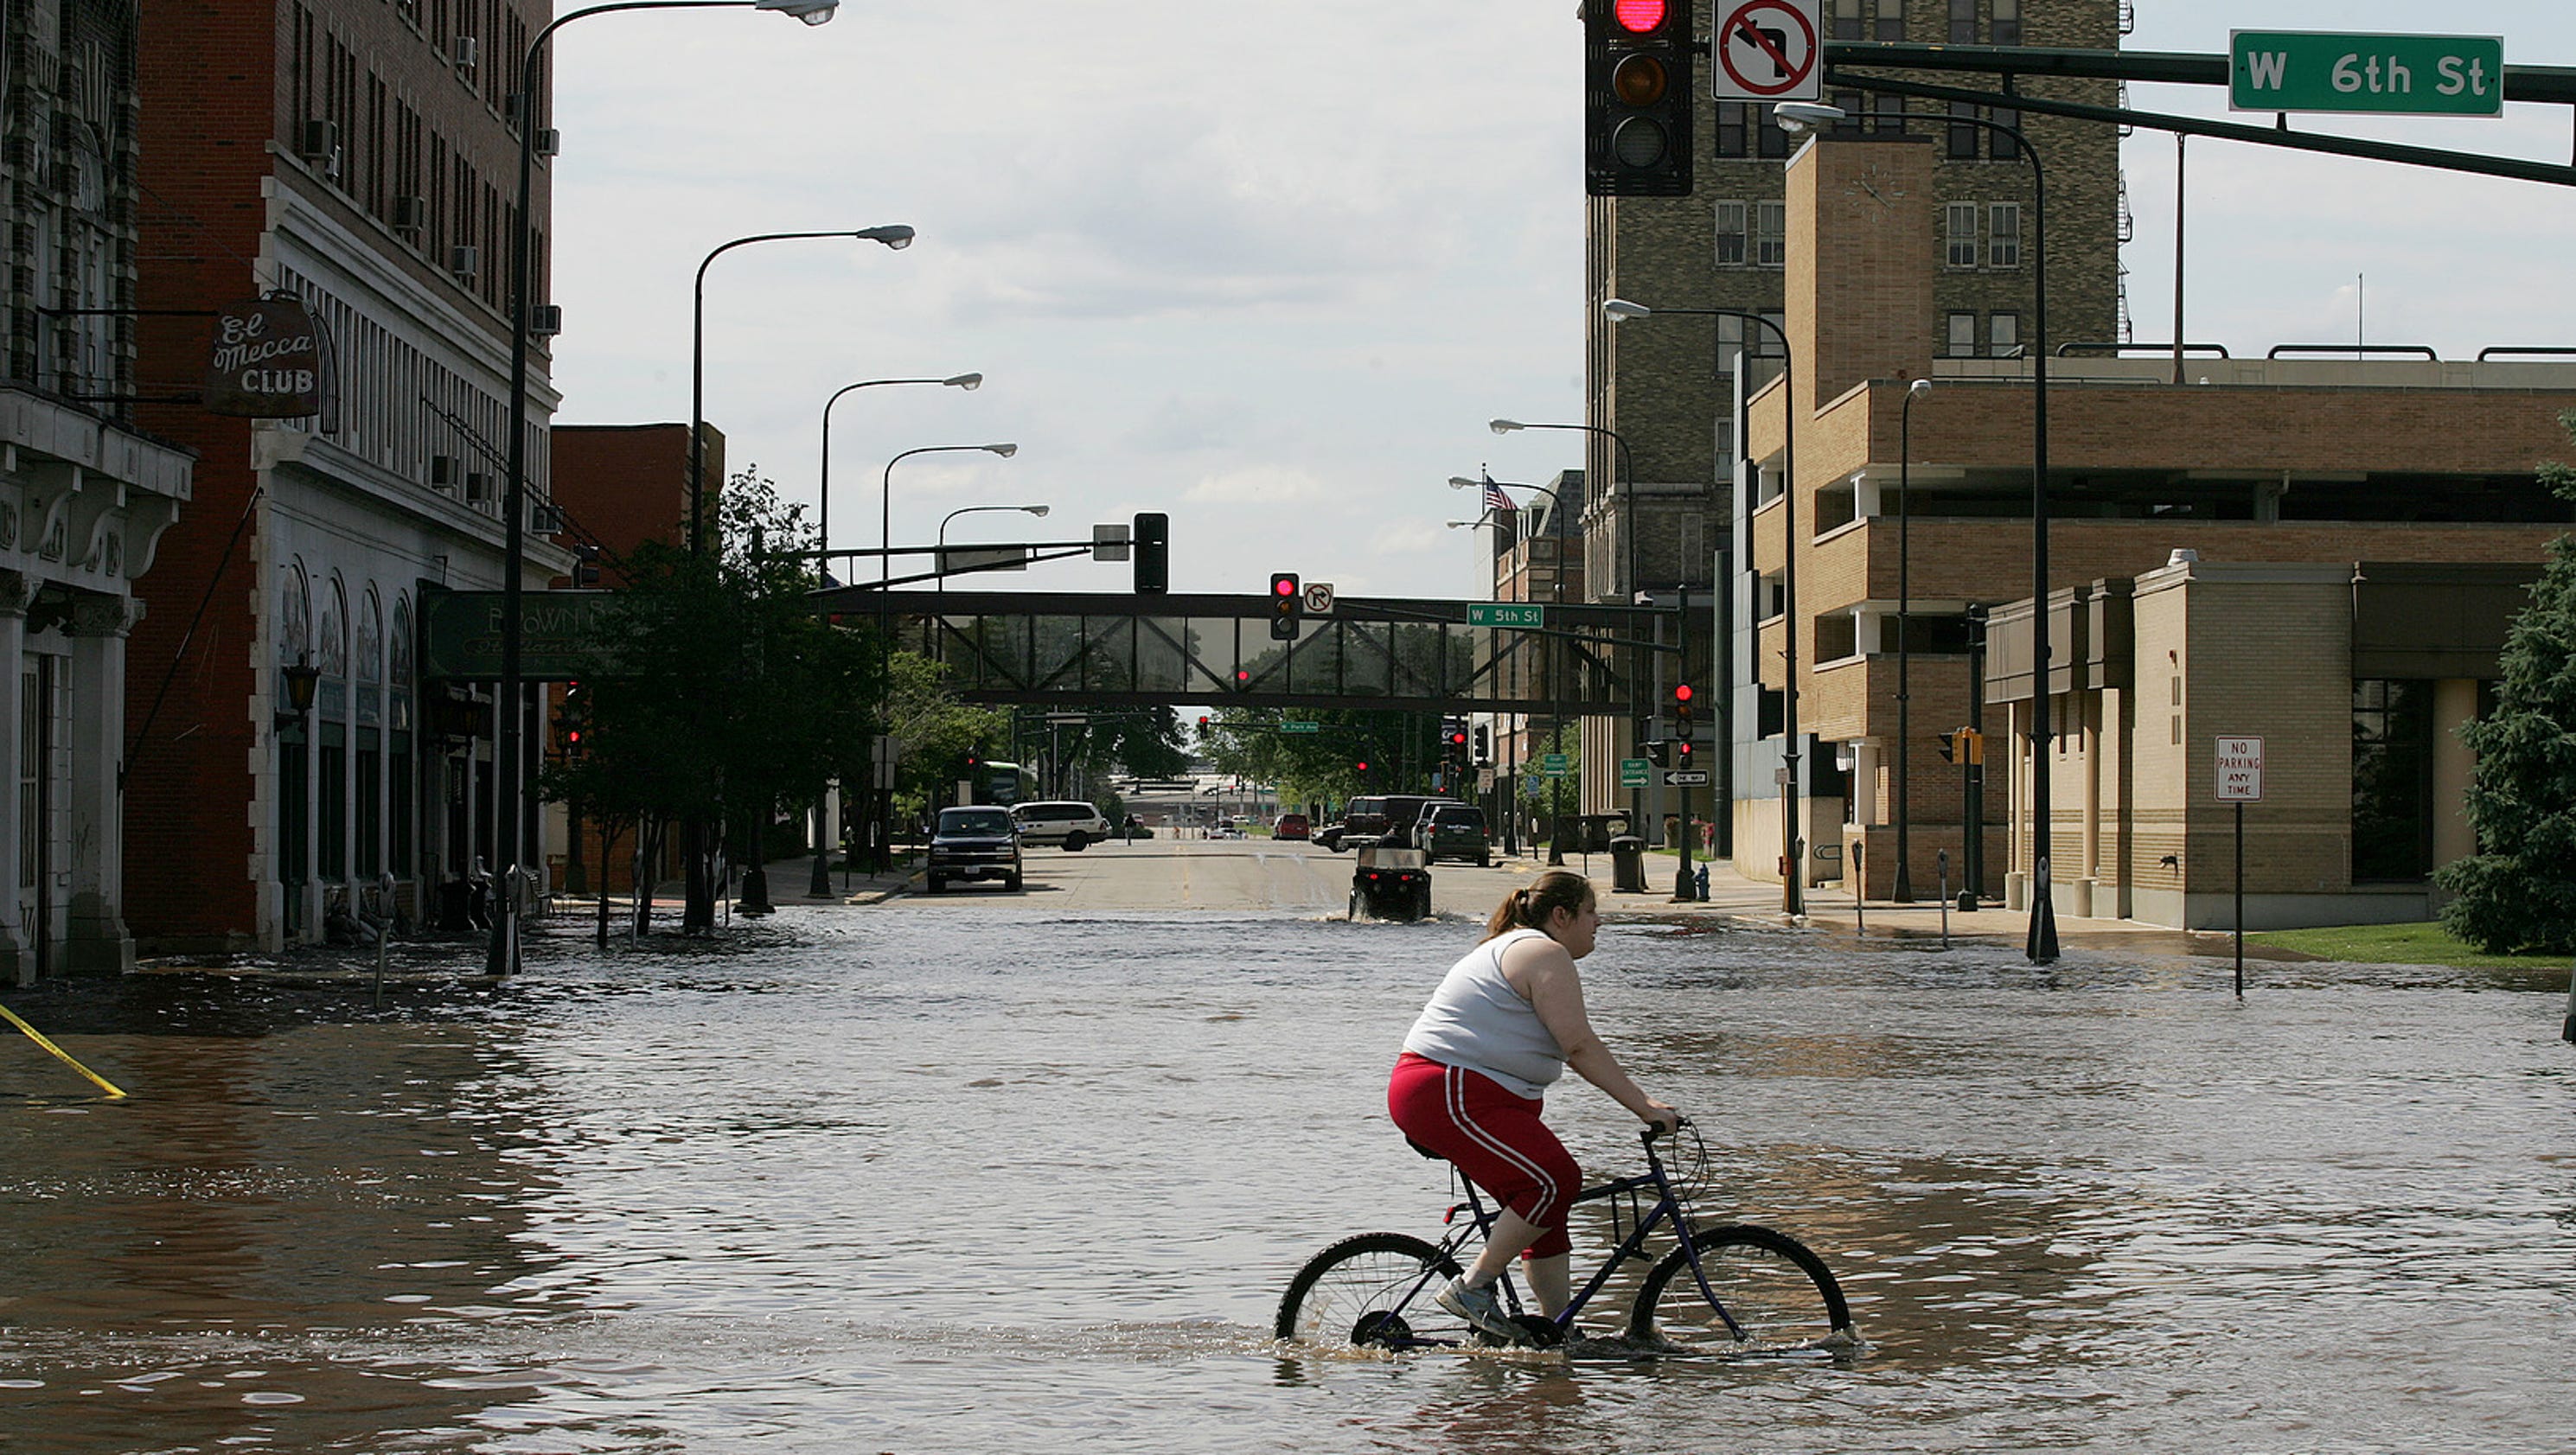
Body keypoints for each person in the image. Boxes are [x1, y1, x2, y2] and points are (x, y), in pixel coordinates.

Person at [1385, 870, 1680, 1343]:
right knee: (1556, 1180)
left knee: (1546, 1204)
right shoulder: (1542, 951)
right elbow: (1579, 1045)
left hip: (1466, 1094)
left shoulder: (1526, 948)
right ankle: (1474, 1289)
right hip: (1446, 1090)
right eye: (1590, 912)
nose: (1598, 923)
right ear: (1561, 916)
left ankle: (1555, 1329)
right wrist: (1644, 1106)